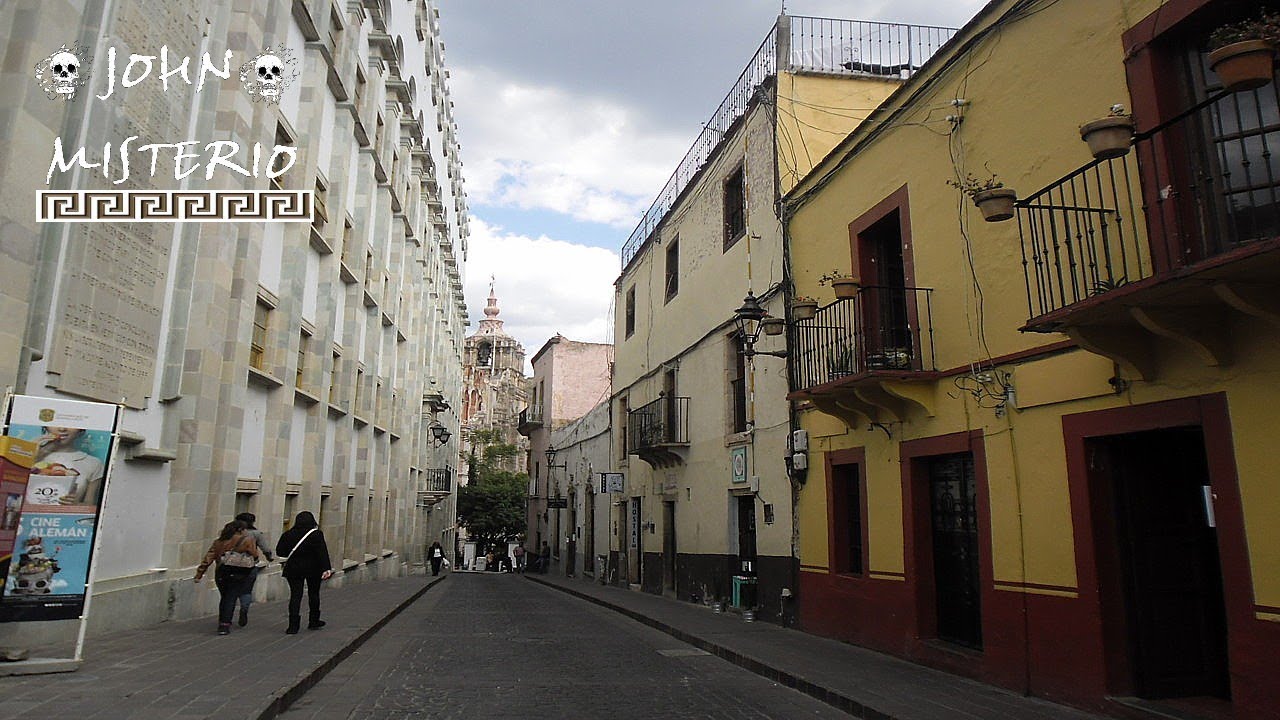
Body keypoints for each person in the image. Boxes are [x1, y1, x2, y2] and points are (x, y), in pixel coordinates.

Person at [194, 520, 262, 636]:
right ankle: (225, 624)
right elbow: (255, 554)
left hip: (221, 572)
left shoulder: (219, 542)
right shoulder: (246, 540)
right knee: (231, 597)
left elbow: (208, 558)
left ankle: (223, 621)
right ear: (240, 529)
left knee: (225, 597)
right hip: (238, 572)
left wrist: (199, 573)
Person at [275, 511, 333, 634]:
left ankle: (293, 626)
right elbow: (322, 552)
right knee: (314, 594)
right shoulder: (316, 534)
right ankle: (313, 620)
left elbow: (280, 552)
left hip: (294, 568)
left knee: (295, 596)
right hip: (313, 568)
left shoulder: (288, 534)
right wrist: (326, 568)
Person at [234, 512, 274, 627]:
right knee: (246, 591)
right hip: (249, 565)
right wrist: (269, 557)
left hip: (231, 566)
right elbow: (265, 548)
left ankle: (226, 617)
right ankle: (244, 609)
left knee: (230, 592)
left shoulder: (231, 533)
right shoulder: (256, 534)